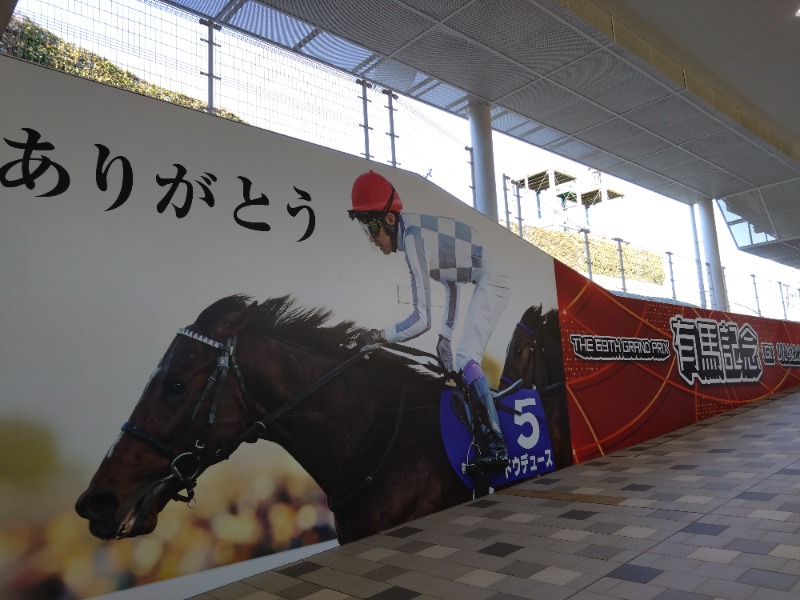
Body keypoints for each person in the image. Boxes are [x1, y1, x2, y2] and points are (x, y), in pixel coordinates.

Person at [348, 170, 511, 472]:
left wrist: (380, 335)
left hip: (493, 276)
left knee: (465, 359)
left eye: (372, 227)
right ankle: (484, 437)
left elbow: (421, 319)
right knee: (459, 358)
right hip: (487, 273)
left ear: (389, 220)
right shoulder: (417, 233)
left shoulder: (413, 240)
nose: (372, 238)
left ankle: (496, 447)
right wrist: (445, 337)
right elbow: (451, 282)